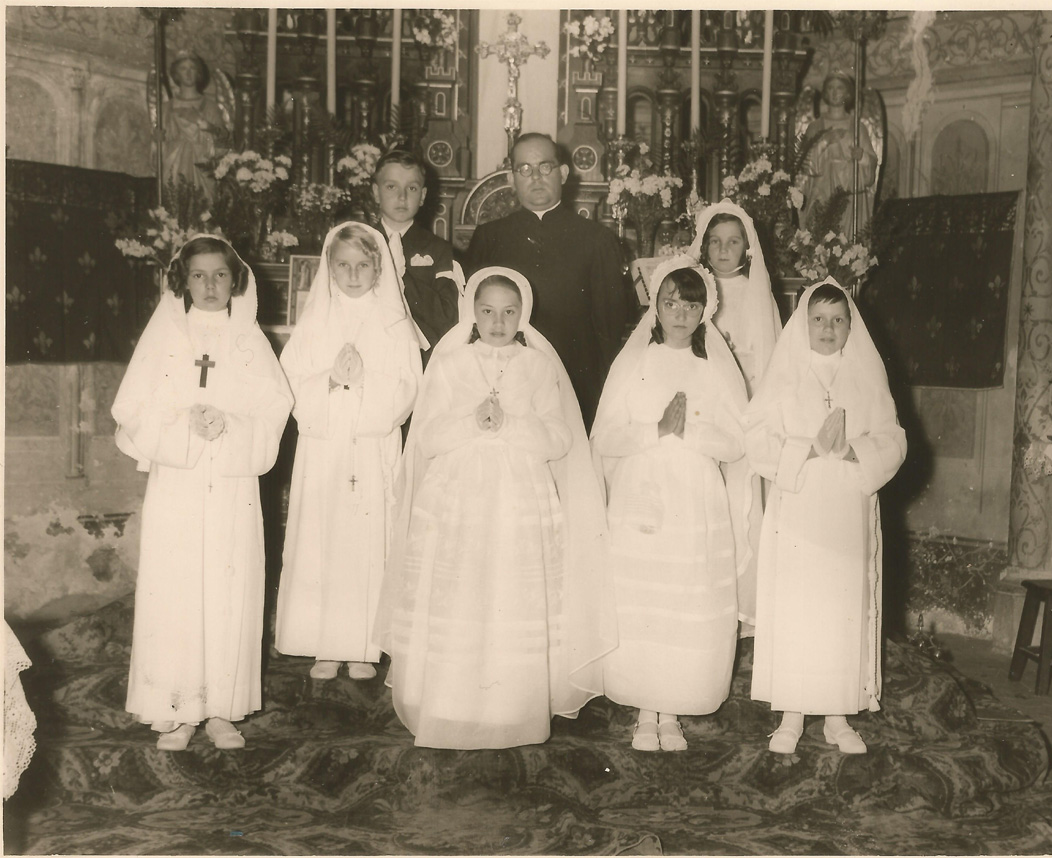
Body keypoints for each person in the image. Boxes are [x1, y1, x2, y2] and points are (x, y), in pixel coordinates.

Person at [374, 266, 615, 750]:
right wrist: (471, 422)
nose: (498, 321)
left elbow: (559, 437)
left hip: (517, 497)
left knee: (509, 592)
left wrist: (511, 426)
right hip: (458, 497)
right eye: (487, 311)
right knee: (461, 592)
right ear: (472, 312)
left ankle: (511, 707)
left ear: (523, 314)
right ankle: (450, 702)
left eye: (509, 312)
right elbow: (427, 436)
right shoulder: (449, 365)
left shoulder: (540, 367)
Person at [113, 235, 292, 751]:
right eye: (199, 275)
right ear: (182, 280)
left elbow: (274, 406)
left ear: (235, 280)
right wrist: (184, 423)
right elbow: (133, 408)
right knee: (179, 586)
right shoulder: (166, 335)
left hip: (233, 481)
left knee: (228, 587)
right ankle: (178, 709)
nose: (210, 285)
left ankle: (220, 710)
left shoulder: (248, 338)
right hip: (181, 480)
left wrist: (230, 423)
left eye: (220, 275)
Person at [591, 256, 757, 753]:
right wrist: (655, 430)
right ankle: (646, 710)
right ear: (656, 307)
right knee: (646, 597)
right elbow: (605, 436)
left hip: (695, 494)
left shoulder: (714, 369)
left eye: (691, 304)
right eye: (671, 303)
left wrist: (694, 432)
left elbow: (738, 442)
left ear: (705, 309)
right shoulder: (636, 362)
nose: (681, 313)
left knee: (685, 594)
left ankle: (674, 711)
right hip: (643, 489)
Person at [742, 277, 906, 756]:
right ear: (803, 323)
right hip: (798, 506)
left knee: (840, 606)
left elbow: (894, 438)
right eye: (819, 319)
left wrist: (856, 450)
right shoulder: (786, 374)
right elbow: (757, 438)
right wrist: (807, 448)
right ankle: (792, 713)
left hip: (845, 510)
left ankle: (837, 715)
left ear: (851, 326)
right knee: (797, 606)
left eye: (838, 320)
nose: (828, 329)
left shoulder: (865, 377)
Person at [275, 223, 422, 682]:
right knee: (323, 538)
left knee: (369, 538)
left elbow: (410, 386)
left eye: (363, 265)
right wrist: (331, 381)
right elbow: (288, 382)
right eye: (343, 265)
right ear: (329, 267)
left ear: (379, 268)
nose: (353, 274)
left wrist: (365, 384)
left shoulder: (394, 323)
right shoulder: (316, 320)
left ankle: (364, 646)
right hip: (325, 449)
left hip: (372, 446)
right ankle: (325, 642)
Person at [464, 132, 635, 429]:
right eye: (525, 169)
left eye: (545, 167)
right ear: (512, 177)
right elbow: (473, 318)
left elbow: (609, 325)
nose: (535, 177)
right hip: (505, 378)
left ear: (563, 173)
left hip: (575, 377)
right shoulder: (490, 237)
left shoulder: (596, 239)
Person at [689, 199, 782, 396]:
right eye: (715, 241)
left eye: (733, 241)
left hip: (746, 387)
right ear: (704, 247)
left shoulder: (756, 292)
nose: (724, 249)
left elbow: (767, 351)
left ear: (747, 248)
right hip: (701, 383)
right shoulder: (695, 289)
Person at [372, 150, 460, 352]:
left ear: (423, 196)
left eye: (412, 188)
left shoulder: (439, 250)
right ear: (376, 193)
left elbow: (448, 317)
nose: (401, 197)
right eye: (391, 186)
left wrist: (402, 277)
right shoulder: (361, 243)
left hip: (420, 354)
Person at [796, 71, 879, 238]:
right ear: (825, 93)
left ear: (847, 93)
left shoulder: (857, 127)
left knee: (846, 244)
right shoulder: (815, 126)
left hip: (849, 194)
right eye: (830, 88)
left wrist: (861, 156)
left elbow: (871, 164)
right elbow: (803, 166)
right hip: (821, 191)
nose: (834, 92)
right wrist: (825, 142)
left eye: (839, 88)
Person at [161, 52, 228, 201]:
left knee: (202, 207)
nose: (188, 73)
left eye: (192, 68)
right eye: (183, 68)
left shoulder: (210, 107)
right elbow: (159, 146)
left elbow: (224, 139)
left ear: (198, 72)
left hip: (201, 164)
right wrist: (157, 139)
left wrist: (207, 126)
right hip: (174, 165)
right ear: (176, 73)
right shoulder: (166, 108)